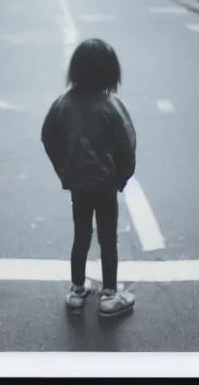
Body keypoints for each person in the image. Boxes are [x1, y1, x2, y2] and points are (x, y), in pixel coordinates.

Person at [41, 38, 137, 317]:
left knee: (81, 235)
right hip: (106, 185)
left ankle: (77, 290)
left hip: (79, 185)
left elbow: (48, 137)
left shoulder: (62, 104)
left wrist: (64, 170)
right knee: (108, 237)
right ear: (111, 72)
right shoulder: (112, 106)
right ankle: (109, 293)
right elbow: (126, 143)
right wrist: (122, 177)